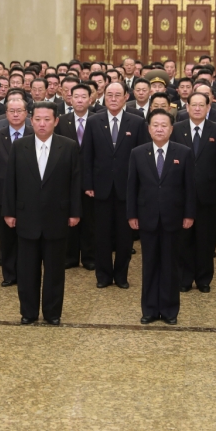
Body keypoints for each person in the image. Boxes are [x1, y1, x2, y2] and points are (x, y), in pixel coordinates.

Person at [3, 102, 81, 325]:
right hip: (27, 217)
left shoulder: (68, 146)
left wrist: (75, 212)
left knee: (55, 270)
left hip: (57, 216)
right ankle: (28, 312)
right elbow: (11, 182)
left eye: (47, 119)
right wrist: (9, 211)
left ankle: (52, 312)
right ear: (31, 120)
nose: (42, 123)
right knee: (27, 270)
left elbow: (75, 182)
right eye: (38, 119)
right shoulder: (20, 146)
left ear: (56, 121)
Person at [127, 109, 195, 325]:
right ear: (148, 129)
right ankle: (149, 309)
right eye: (155, 125)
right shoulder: (137, 153)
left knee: (170, 266)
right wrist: (132, 215)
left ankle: (169, 310)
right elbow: (132, 187)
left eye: (164, 125)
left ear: (171, 129)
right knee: (149, 265)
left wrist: (189, 214)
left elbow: (189, 188)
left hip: (173, 218)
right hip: (146, 217)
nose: (159, 129)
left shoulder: (183, 153)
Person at [82, 81, 149, 289]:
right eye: (109, 94)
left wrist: (140, 187)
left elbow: (143, 158)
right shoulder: (94, 121)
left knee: (124, 236)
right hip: (100, 188)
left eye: (117, 95)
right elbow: (87, 156)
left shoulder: (137, 122)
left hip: (127, 189)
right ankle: (103, 276)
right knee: (101, 234)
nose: (112, 98)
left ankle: (121, 275)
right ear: (104, 97)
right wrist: (88, 183)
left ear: (126, 97)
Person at [171, 92, 216, 293]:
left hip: (208, 192)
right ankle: (184, 279)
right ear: (186, 107)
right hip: (181, 193)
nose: (196, 108)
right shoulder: (177, 129)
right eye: (193, 105)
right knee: (183, 238)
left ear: (208, 108)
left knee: (206, 238)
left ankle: (203, 279)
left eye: (201, 105)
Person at [0, 98, 33, 286]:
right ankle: (9, 275)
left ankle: (26, 274)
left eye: (19, 110)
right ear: (5, 114)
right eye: (11, 111)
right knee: (6, 237)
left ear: (26, 113)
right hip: (3, 193)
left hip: (29, 194)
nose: (15, 114)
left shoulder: (33, 134)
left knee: (26, 236)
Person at [55, 83, 96, 270]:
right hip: (66, 177)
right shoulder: (61, 121)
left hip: (90, 177)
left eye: (83, 96)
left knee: (89, 218)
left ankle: (88, 256)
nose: (79, 100)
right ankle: (70, 256)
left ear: (90, 99)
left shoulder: (98, 120)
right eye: (76, 96)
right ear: (70, 99)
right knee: (68, 217)